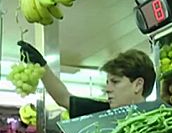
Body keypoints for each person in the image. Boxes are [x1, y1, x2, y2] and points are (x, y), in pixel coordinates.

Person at [18, 41, 157, 117]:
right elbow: (64, 98)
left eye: (115, 82)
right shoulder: (102, 113)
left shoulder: (160, 118)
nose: (108, 89)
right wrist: (41, 66)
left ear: (138, 85)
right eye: (107, 82)